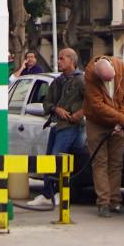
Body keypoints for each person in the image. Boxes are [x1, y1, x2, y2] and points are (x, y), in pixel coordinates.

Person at [27, 48, 86, 208]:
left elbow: (92, 101)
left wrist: (79, 114)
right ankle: (47, 194)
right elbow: (47, 103)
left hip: (71, 127)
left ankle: (59, 193)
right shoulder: (57, 81)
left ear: (71, 61)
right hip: (56, 125)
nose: (58, 61)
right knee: (49, 160)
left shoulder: (81, 81)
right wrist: (55, 109)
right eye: (58, 58)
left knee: (57, 159)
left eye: (62, 58)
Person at [82, 55, 124, 217]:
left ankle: (115, 202)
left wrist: (121, 119)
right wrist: (122, 119)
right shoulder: (90, 74)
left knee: (116, 163)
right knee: (100, 163)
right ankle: (103, 203)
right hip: (96, 122)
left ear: (113, 68)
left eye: (111, 78)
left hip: (118, 122)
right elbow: (97, 105)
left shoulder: (123, 68)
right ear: (98, 74)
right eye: (105, 81)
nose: (109, 82)